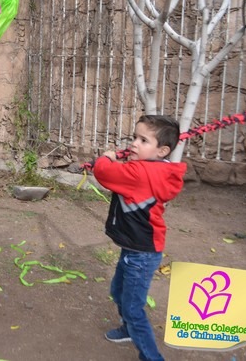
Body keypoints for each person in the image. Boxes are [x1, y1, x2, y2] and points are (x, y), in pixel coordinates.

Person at [92, 115, 187, 361]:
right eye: (135, 137)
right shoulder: (157, 168)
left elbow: (103, 172)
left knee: (134, 309)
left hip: (141, 254)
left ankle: (151, 357)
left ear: (162, 151)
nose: (134, 143)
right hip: (135, 248)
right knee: (118, 291)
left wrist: (107, 157)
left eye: (143, 140)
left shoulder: (140, 173)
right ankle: (127, 329)